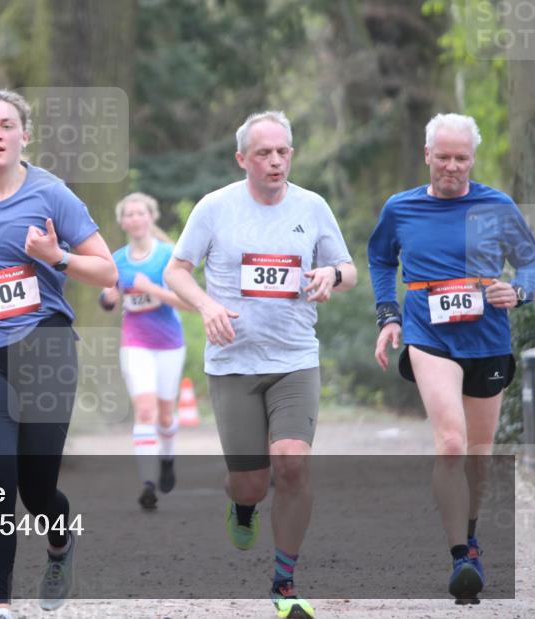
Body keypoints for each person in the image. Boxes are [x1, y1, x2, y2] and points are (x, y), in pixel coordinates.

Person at [0, 90, 118, 619]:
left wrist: (56, 256)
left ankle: (59, 545)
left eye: (6, 125)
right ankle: (0, 604)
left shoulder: (52, 195)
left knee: (36, 488)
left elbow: (107, 271)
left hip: (45, 345)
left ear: (24, 135)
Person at [164, 110, 356, 619]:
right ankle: (244, 505)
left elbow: (349, 269)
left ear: (291, 153)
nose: (275, 161)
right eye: (264, 154)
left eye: (283, 152)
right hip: (233, 363)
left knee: (292, 462)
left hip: (294, 358)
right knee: (250, 480)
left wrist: (330, 276)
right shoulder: (215, 208)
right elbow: (176, 270)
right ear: (242, 159)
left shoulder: (312, 206)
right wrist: (205, 306)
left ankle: (285, 583)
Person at [368, 113, 534, 603]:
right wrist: (389, 315)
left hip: (487, 339)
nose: (452, 167)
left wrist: (519, 291)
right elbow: (381, 258)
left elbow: (529, 261)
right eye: (443, 157)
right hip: (428, 334)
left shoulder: (497, 206)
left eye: (462, 158)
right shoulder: (401, 209)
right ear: (427, 156)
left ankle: (473, 535)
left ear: (473, 160)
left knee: (480, 457)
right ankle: (461, 555)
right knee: (451, 443)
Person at [100, 192, 191, 510]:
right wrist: (109, 299)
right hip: (135, 343)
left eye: (141, 213)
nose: (135, 219)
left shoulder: (169, 255)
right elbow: (108, 298)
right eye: (129, 214)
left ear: (151, 217)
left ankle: (167, 458)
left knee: (166, 415)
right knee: (146, 411)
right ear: (123, 221)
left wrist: (152, 289)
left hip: (168, 342)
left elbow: (189, 303)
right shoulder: (117, 258)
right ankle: (148, 482)